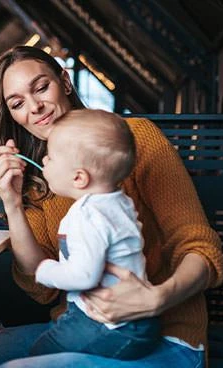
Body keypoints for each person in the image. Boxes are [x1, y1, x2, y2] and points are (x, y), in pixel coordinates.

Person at [0, 45, 223, 367]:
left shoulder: (135, 139)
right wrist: (13, 203)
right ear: (13, 115)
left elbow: (201, 247)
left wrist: (157, 298)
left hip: (168, 336)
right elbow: (41, 288)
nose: (35, 107)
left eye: (41, 87)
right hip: (79, 330)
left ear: (65, 82)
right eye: (17, 103)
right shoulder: (40, 175)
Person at [29, 109, 159, 359]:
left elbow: (84, 277)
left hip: (107, 324)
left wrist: (45, 270)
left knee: (40, 354)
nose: (44, 161)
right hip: (136, 321)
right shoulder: (118, 202)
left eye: (50, 157)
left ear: (79, 177)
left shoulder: (87, 215)